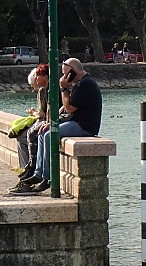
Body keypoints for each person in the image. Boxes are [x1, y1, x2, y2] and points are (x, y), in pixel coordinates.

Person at [15, 57, 102, 194]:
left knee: (50, 136)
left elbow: (69, 108)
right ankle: (39, 174)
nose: (63, 76)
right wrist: (50, 123)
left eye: (65, 73)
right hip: (75, 122)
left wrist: (63, 88)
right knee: (43, 133)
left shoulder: (85, 84)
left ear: (72, 71)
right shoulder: (80, 83)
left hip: (84, 127)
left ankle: (47, 178)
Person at [12, 64, 50, 188]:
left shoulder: (43, 90)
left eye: (37, 78)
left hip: (44, 122)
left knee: (28, 136)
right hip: (45, 122)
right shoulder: (46, 89)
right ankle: (31, 168)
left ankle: (31, 168)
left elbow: (42, 113)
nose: (34, 83)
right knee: (29, 135)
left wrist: (33, 112)